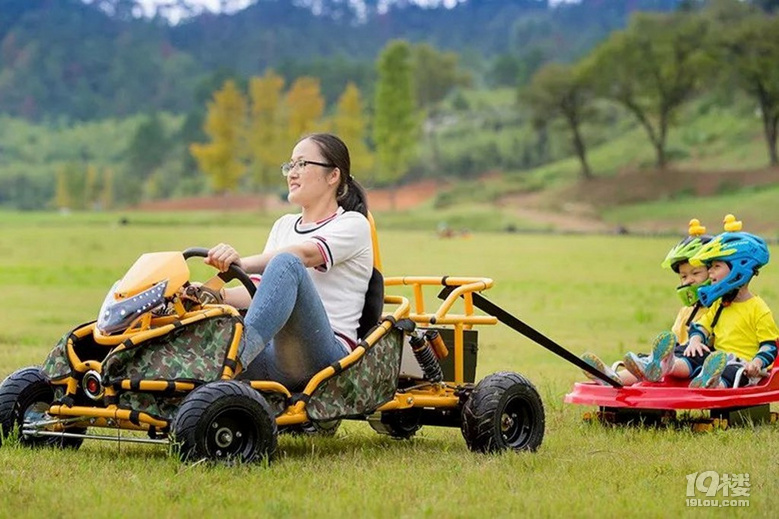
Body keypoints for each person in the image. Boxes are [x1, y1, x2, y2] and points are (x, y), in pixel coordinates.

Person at [204, 133, 373, 390]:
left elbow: (302, 256)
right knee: (207, 338)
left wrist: (242, 263)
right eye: (290, 165)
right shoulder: (283, 225)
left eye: (302, 164)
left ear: (333, 175)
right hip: (277, 353)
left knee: (287, 263)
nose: (291, 173)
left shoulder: (353, 224)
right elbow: (262, 292)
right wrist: (213, 295)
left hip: (327, 358)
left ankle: (235, 358)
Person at [630, 225, 779, 388]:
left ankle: (711, 383)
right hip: (715, 359)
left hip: (743, 365)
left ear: (739, 268)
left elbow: (769, 345)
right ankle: (667, 364)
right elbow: (701, 326)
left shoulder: (758, 308)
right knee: (692, 351)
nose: (710, 273)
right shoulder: (719, 304)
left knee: (731, 371)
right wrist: (695, 341)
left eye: (716, 266)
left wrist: (757, 363)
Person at [580, 219, 712, 386]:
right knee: (645, 360)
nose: (689, 281)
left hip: (696, 363)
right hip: (678, 356)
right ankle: (611, 377)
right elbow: (674, 341)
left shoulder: (716, 308)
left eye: (695, 273)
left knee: (691, 356)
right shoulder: (686, 311)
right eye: (684, 276)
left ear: (712, 272)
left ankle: (662, 365)